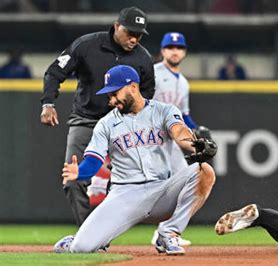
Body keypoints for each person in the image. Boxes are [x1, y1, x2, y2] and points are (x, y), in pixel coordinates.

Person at [53, 65, 217, 255]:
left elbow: (179, 131)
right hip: (125, 195)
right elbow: (93, 159)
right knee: (82, 248)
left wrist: (196, 145)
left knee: (204, 170)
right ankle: (78, 239)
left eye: (115, 93)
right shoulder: (106, 124)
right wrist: (80, 172)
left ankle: (168, 233)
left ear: (132, 87)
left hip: (162, 192)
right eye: (109, 96)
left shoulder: (163, 111)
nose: (112, 100)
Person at [39, 6, 155, 226]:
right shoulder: (87, 45)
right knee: (73, 178)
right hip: (87, 120)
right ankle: (88, 234)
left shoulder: (143, 58)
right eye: (130, 32)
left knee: (128, 183)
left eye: (139, 34)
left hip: (123, 124)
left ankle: (104, 232)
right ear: (116, 26)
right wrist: (47, 103)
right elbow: (55, 71)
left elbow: (147, 94)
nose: (134, 38)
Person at [151, 32, 212, 247]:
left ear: (184, 52)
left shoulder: (183, 82)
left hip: (172, 143)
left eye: (178, 48)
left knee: (191, 181)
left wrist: (197, 129)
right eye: (170, 47)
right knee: (142, 188)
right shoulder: (154, 74)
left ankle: (167, 231)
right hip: (151, 140)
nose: (174, 51)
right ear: (162, 51)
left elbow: (184, 115)